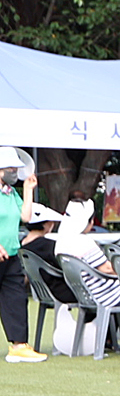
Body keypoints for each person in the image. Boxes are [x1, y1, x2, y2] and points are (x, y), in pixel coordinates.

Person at [1, 147, 38, 362]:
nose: (15, 172)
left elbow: (25, 216)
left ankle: (19, 345)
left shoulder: (9, 192)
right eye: (11, 168)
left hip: (11, 254)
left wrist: (28, 190)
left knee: (15, 298)